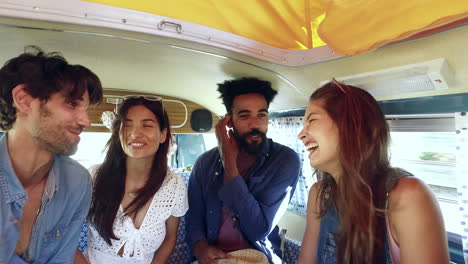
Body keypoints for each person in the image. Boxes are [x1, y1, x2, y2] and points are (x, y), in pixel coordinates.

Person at [297, 79, 449, 263]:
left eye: (311, 120)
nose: (301, 134)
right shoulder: (320, 195)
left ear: (350, 124)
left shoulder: (407, 195)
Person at [0, 46, 103, 263]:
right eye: (71, 103)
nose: (86, 121)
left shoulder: (78, 182)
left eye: (86, 109)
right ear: (25, 100)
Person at [186, 77, 301, 264]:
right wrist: (200, 249)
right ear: (229, 121)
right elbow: (194, 218)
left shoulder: (285, 160)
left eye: (261, 115)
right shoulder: (205, 163)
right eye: (245, 116)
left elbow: (258, 229)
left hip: (259, 256)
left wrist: (229, 164)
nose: (255, 124)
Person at [76, 95, 188, 263]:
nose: (135, 134)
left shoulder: (174, 186)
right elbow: (63, 236)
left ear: (163, 135)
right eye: (127, 125)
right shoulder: (93, 178)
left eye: (147, 125)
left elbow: (170, 239)